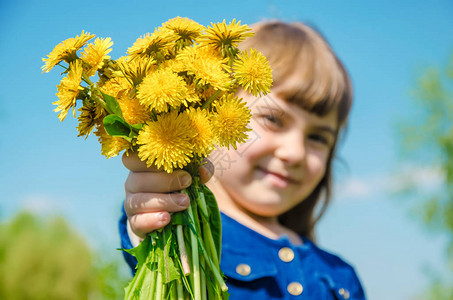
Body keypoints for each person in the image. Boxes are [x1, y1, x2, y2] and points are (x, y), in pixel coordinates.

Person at [119, 20, 366, 299]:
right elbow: (150, 244)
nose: (295, 151)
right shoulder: (184, 228)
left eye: (319, 138)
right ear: (210, 110)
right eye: (273, 119)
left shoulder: (341, 277)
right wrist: (150, 215)